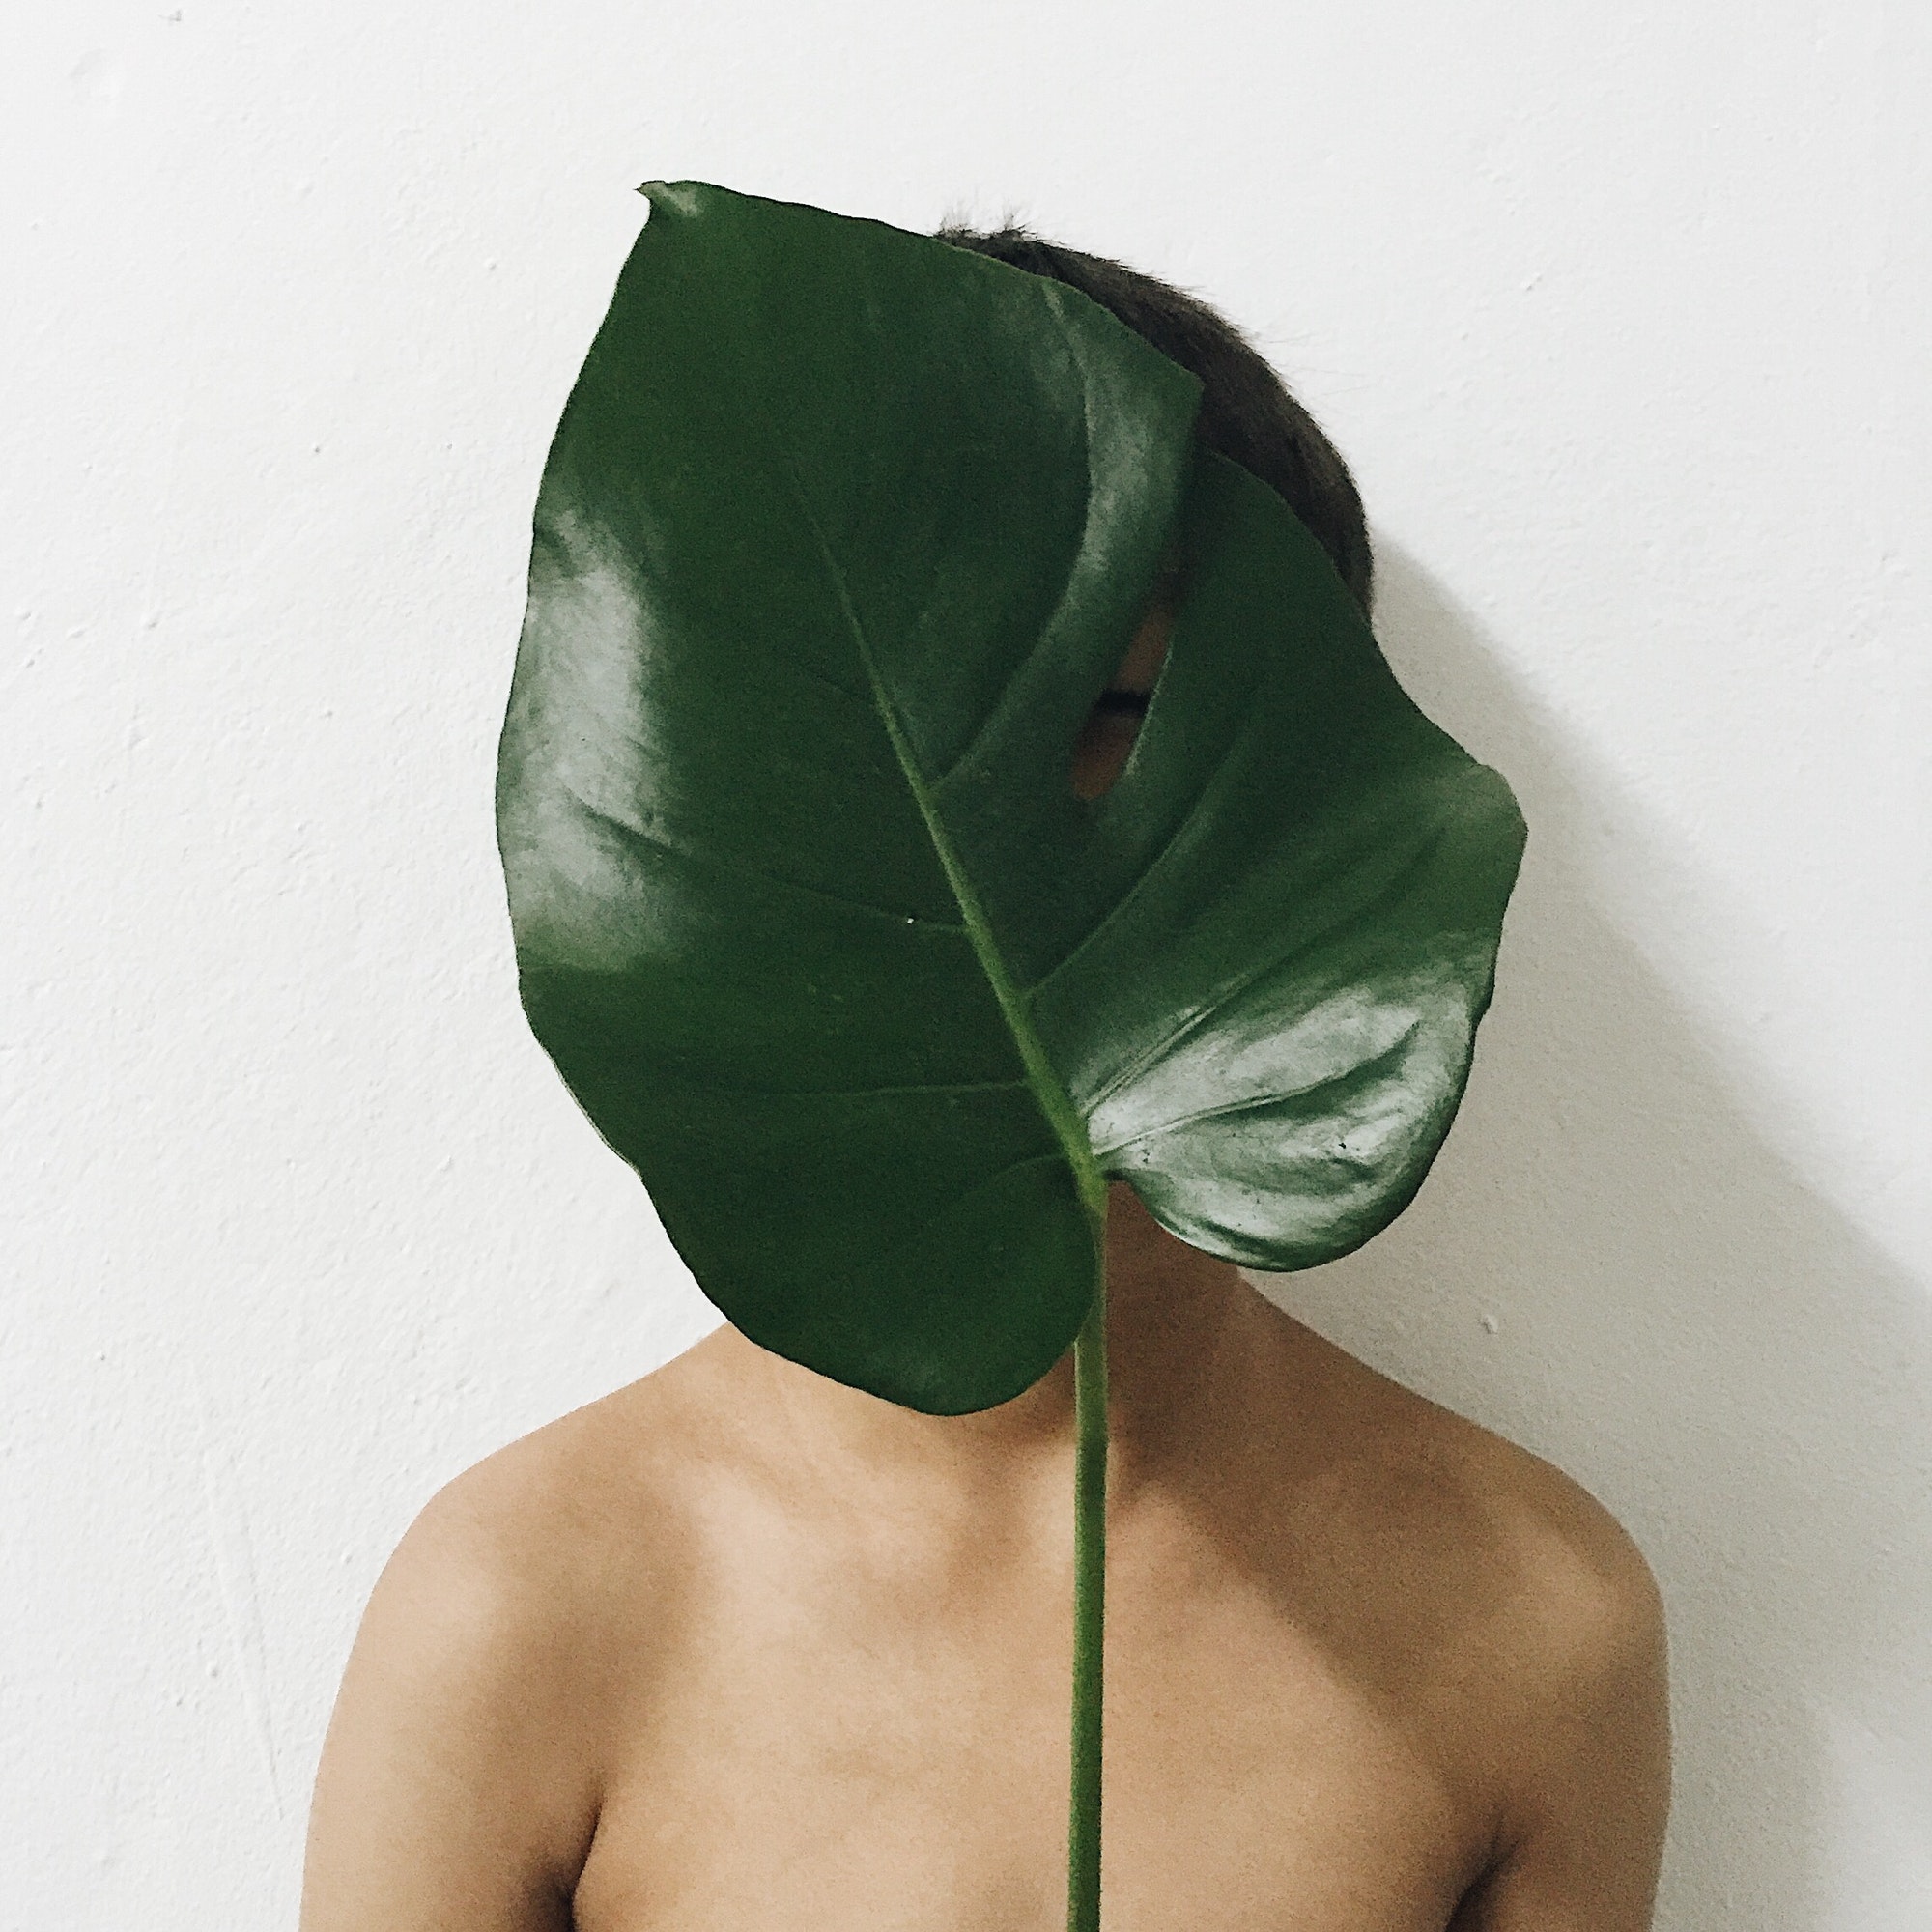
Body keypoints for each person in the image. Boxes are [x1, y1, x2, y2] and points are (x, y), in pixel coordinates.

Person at [299, 226, 1671, 1932]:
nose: (987, 852)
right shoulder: (526, 1608)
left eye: (1114, 714)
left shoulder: (1526, 1617)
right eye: (889, 773)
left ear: (1320, 790)